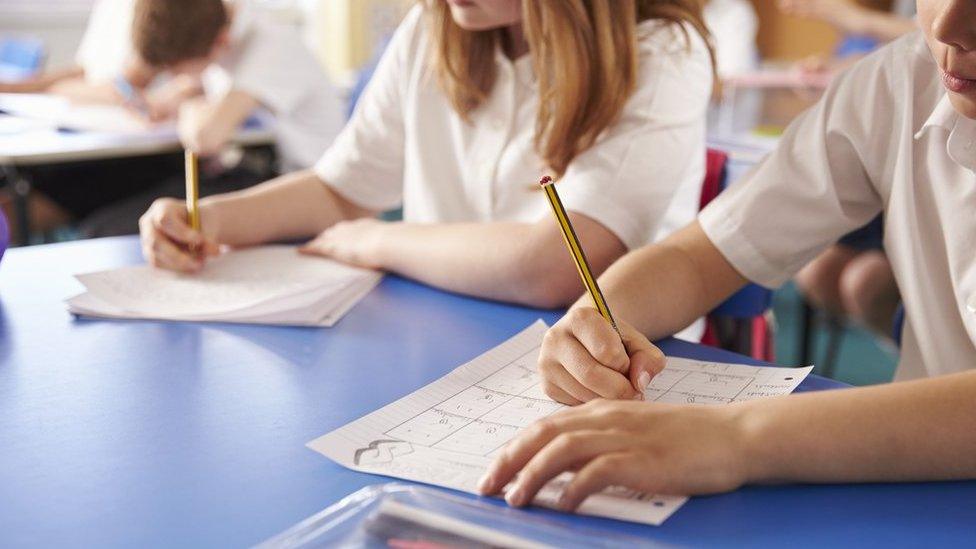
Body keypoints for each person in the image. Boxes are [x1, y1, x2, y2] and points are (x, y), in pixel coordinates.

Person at [478, 0, 976, 510]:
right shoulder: (900, 81)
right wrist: (596, 319)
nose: (947, 28)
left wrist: (739, 437)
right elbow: (699, 257)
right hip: (909, 490)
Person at [140, 0, 715, 312]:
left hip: (609, 362)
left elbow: (557, 267)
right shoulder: (432, 29)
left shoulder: (661, 54)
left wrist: (377, 239)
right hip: (448, 329)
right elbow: (341, 189)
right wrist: (208, 220)